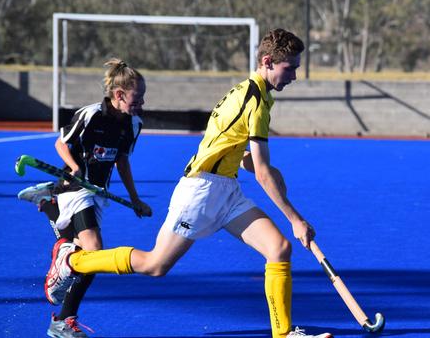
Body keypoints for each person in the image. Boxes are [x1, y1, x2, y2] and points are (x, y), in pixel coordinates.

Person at [43, 29, 332, 338]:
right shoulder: (255, 101)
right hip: (201, 192)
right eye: (290, 68)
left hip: (226, 190)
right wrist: (295, 218)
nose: (294, 75)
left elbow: (236, 152)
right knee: (155, 265)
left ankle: (283, 333)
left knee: (279, 248)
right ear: (268, 62)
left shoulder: (247, 93)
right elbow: (259, 173)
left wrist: (264, 169)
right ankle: (73, 259)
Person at [24, 58, 152, 338]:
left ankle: (49, 207)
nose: (141, 103)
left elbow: (122, 161)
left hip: (97, 193)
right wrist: (74, 167)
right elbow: (61, 142)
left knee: (86, 256)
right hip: (76, 188)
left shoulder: (133, 124)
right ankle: (63, 319)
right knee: (93, 253)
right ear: (119, 95)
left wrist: (135, 199)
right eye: (137, 98)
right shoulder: (91, 114)